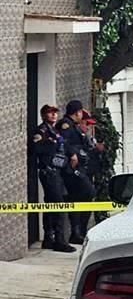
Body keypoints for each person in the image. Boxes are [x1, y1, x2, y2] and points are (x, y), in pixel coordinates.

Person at [28, 104, 75, 252]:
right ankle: (60, 241)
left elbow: (65, 145)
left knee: (50, 205)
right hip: (48, 172)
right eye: (50, 113)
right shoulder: (41, 131)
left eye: (55, 112)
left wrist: (71, 153)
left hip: (57, 172)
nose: (54, 115)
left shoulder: (55, 131)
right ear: (44, 115)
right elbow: (35, 149)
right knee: (58, 205)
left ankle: (49, 238)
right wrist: (51, 144)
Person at [59, 100, 97, 244]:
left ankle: (79, 231)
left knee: (82, 198)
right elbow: (62, 140)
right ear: (77, 112)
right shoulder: (66, 125)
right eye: (81, 111)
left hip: (79, 168)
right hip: (71, 169)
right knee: (87, 192)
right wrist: (72, 154)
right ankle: (76, 231)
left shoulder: (73, 127)